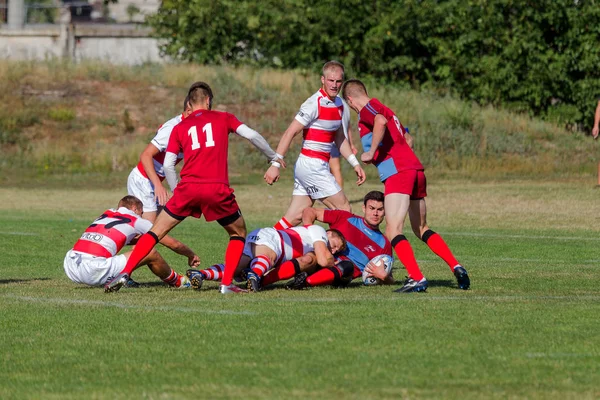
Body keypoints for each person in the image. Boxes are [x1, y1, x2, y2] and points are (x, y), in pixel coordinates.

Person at [105, 81, 282, 294]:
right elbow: (252, 135)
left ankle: (125, 273)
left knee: (154, 232)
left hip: (187, 189)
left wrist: (175, 189)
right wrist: (274, 157)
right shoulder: (224, 117)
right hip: (216, 189)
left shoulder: (179, 127)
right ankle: (226, 284)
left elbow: (169, 165)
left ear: (190, 102)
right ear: (208, 101)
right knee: (237, 233)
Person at [341, 79, 470, 292]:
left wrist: (372, 152)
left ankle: (416, 277)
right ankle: (456, 266)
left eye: (350, 104)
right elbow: (408, 139)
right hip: (415, 170)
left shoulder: (368, 109)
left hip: (399, 173)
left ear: (351, 99)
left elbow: (380, 122)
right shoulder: (388, 110)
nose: (352, 108)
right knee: (421, 228)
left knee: (393, 230)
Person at [264, 61, 366, 229]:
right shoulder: (313, 103)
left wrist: (355, 163)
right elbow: (290, 132)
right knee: (344, 209)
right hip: (312, 165)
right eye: (330, 80)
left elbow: (339, 138)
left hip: (315, 165)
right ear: (322, 80)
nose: (334, 85)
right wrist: (275, 164)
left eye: (338, 81)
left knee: (295, 217)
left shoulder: (339, 104)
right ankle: (339, 252)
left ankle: (264, 242)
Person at [63, 195, 199, 290]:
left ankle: (121, 278)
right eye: (141, 212)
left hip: (70, 263)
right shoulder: (135, 219)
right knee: (150, 253)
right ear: (135, 208)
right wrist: (190, 254)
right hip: (92, 269)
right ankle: (179, 282)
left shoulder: (106, 214)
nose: (141, 215)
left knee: (141, 247)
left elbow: (113, 238)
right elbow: (172, 243)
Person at [186, 225, 346, 292]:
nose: (333, 250)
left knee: (234, 268)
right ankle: (255, 276)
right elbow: (325, 260)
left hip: (261, 236)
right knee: (267, 257)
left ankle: (201, 274)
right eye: (334, 245)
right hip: (274, 240)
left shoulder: (311, 248)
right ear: (329, 234)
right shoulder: (319, 231)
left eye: (337, 250)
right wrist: (336, 262)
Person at [296, 190, 393, 289]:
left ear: (385, 212)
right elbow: (309, 211)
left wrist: (384, 276)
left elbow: (390, 278)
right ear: (364, 208)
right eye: (371, 208)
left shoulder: (384, 244)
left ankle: (304, 283)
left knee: (347, 266)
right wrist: (311, 234)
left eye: (380, 209)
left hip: (342, 276)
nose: (375, 213)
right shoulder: (345, 218)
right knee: (307, 257)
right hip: (320, 260)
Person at [126, 96, 193, 222]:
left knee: (164, 223)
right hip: (143, 180)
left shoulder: (190, 129)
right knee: (149, 230)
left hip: (152, 181)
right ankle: (108, 234)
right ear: (189, 110)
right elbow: (146, 156)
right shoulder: (172, 128)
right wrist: (158, 185)